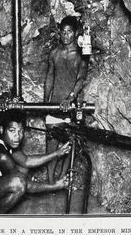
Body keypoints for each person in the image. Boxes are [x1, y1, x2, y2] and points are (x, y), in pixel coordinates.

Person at [0, 111, 71, 214]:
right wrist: (56, 186)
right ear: (2, 129)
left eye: (21, 131)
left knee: (23, 168)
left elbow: (27, 161)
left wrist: (57, 153)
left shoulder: (3, 140)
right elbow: (25, 185)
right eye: (12, 131)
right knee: (19, 183)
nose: (17, 136)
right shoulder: (0, 154)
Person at [44, 16, 89, 183]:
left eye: (69, 32)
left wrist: (70, 99)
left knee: (70, 146)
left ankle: (62, 180)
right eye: (63, 32)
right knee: (51, 146)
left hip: (69, 107)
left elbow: (80, 79)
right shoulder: (54, 53)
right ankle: (50, 182)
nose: (65, 35)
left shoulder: (80, 56)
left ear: (75, 33)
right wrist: (45, 102)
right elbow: (49, 77)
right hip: (54, 105)